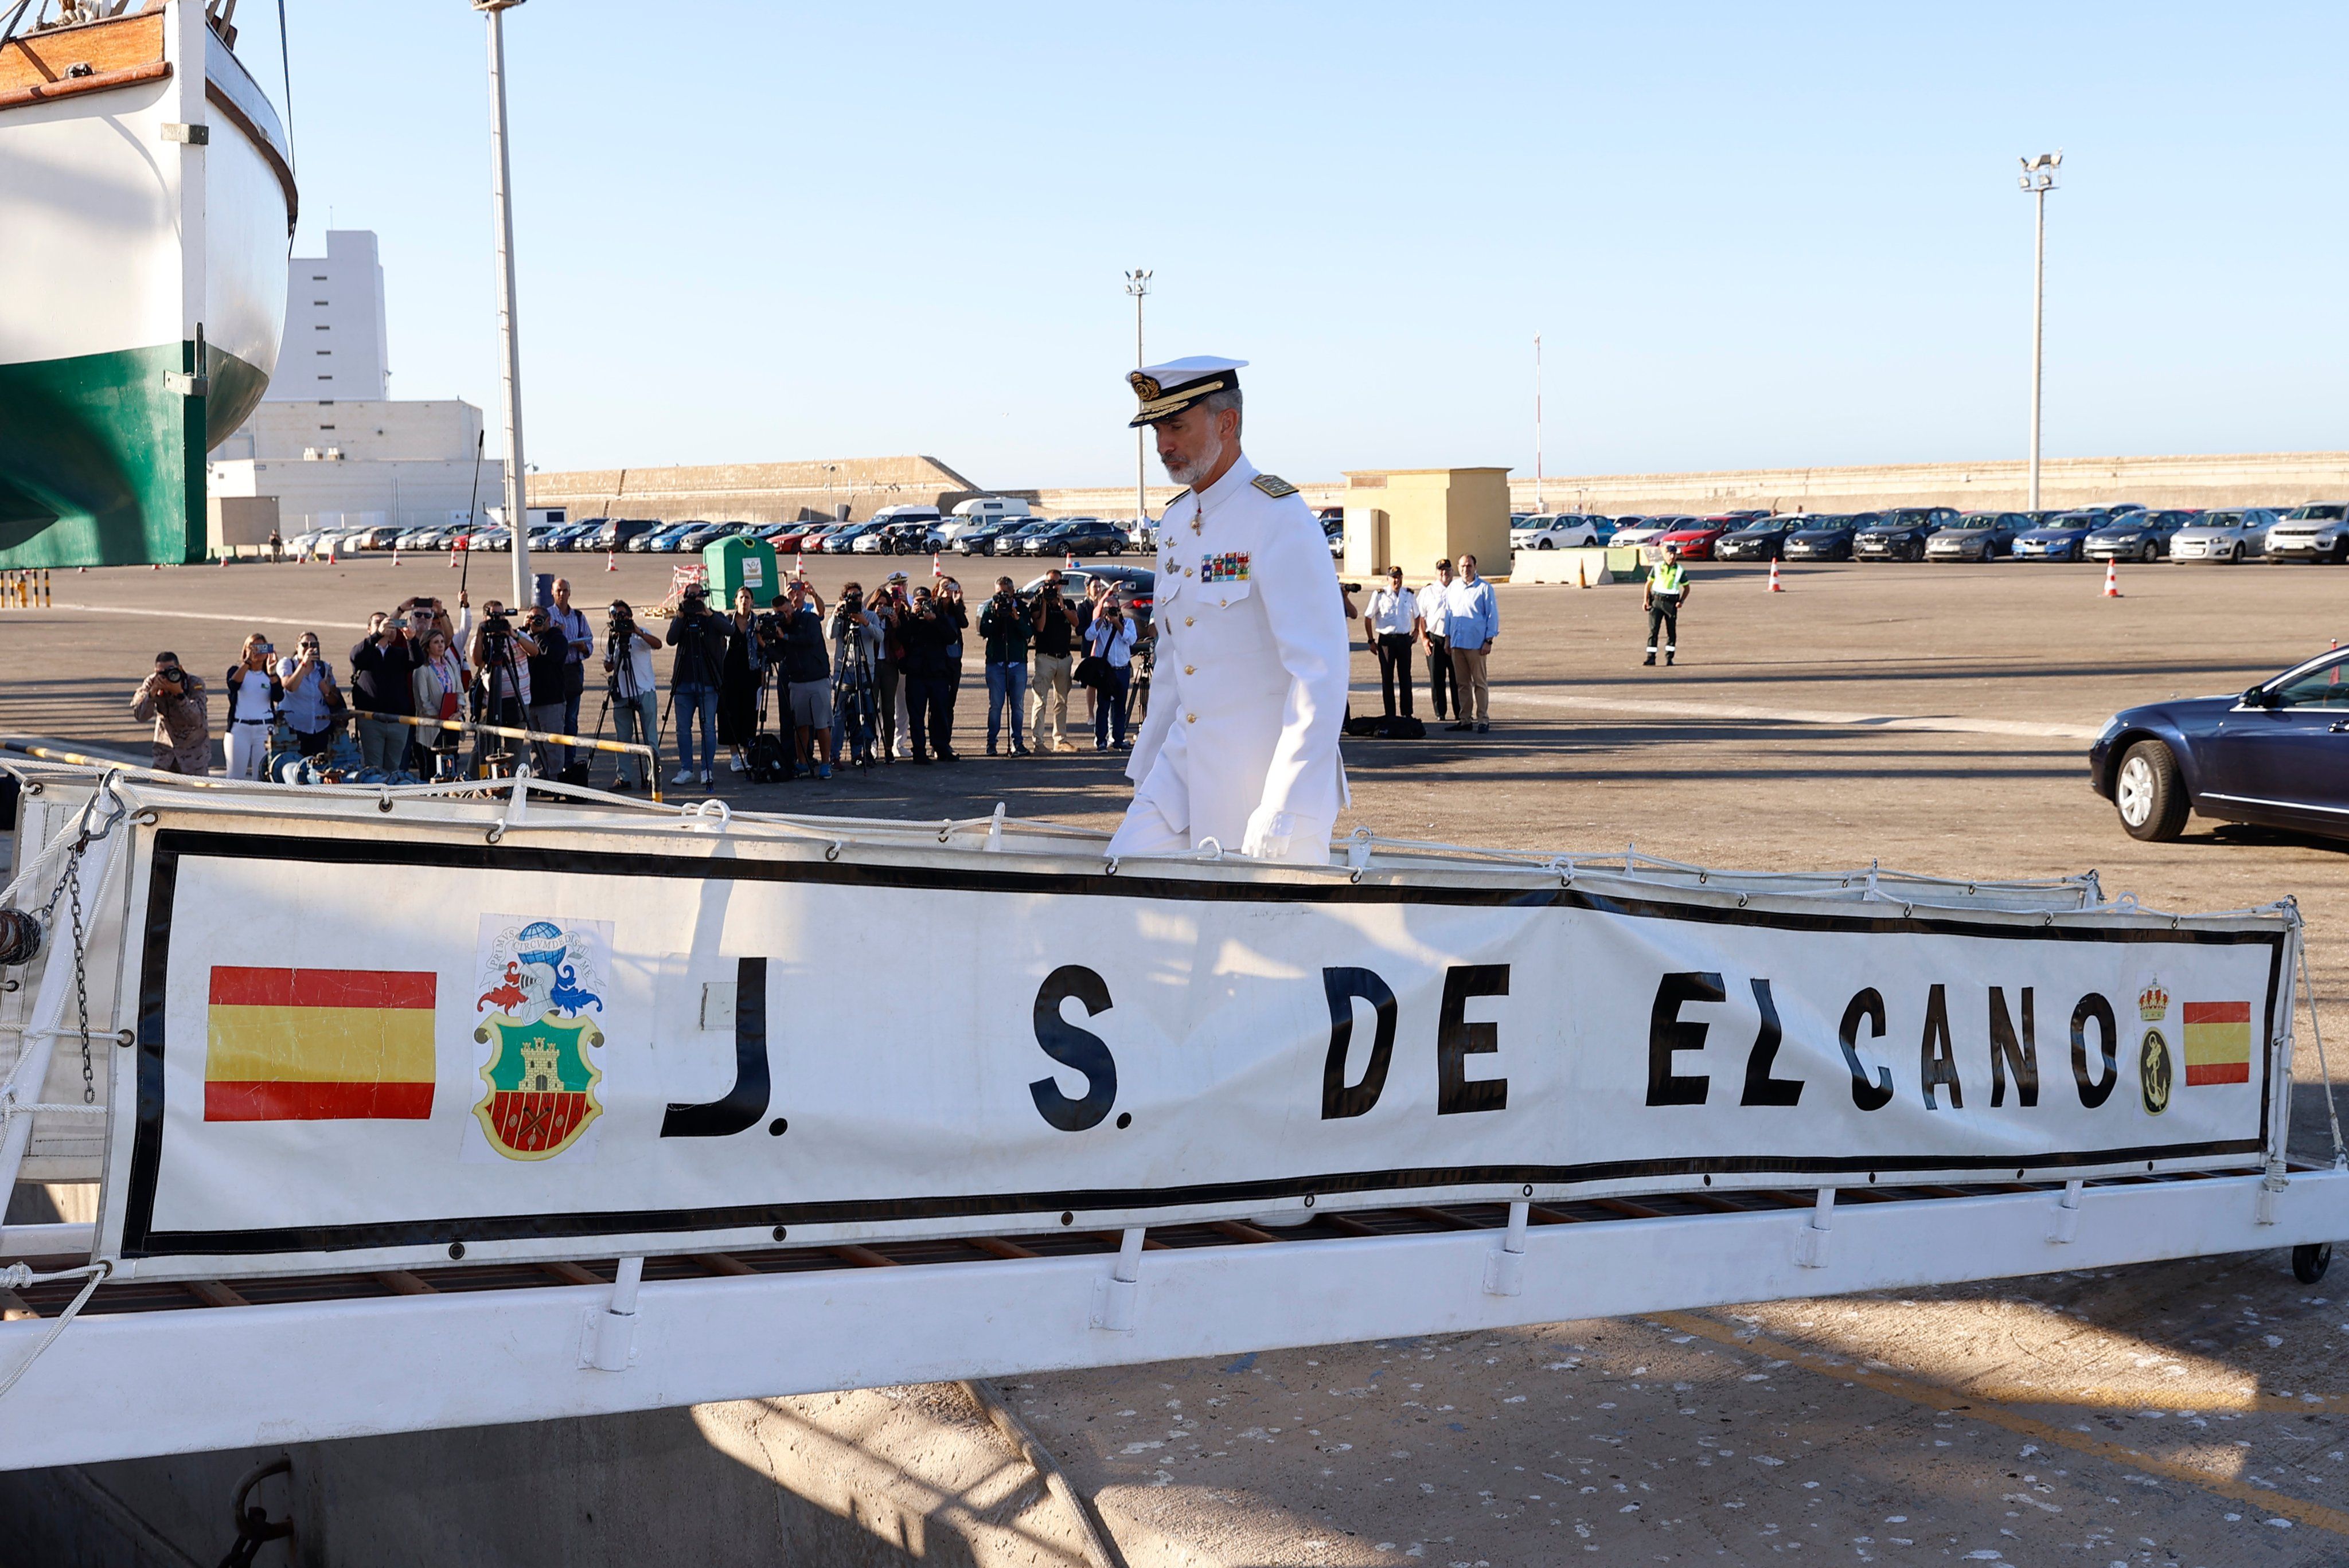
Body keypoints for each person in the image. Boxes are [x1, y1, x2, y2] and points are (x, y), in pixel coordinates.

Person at [1105, 355, 1350, 864]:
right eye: (1157, 429)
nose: (1162, 445)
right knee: (1120, 884)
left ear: (1227, 422)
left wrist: (1285, 805)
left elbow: (1318, 674)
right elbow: (1175, 662)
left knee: (1265, 934)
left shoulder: (1278, 517)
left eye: (1176, 425)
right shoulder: (1175, 523)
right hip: (1182, 774)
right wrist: (1149, 775)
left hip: (1265, 783)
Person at [459, 597, 540, 776]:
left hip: (518, 701)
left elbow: (534, 652)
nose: (499, 620)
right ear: (485, 618)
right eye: (494, 616)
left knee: (514, 749)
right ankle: (476, 781)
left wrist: (513, 634)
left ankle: (509, 784)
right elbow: (477, 660)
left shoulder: (517, 635)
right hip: (491, 702)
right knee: (484, 746)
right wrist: (481, 633)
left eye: (501, 615)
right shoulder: (481, 640)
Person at [664, 584, 735, 787]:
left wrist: (708, 614)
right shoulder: (683, 619)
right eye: (690, 597)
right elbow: (670, 639)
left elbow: (730, 630)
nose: (694, 602)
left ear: (704, 597)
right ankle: (686, 769)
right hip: (683, 683)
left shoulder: (714, 617)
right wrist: (680, 616)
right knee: (683, 729)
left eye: (697, 597)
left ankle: (707, 769)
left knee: (708, 728)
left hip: (708, 683)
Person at [350, 611, 422, 774]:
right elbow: (355, 657)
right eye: (379, 622)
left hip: (397, 721)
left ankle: (390, 799)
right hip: (372, 720)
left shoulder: (398, 653)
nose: (385, 625)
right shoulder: (366, 652)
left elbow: (417, 660)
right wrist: (377, 635)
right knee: (374, 768)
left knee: (394, 768)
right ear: (369, 629)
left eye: (388, 622)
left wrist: (411, 639)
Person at [602, 599, 663, 791]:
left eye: (623, 615)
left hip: (644, 691)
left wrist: (637, 631)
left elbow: (658, 644)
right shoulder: (613, 638)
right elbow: (608, 665)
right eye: (616, 615)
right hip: (622, 693)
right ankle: (624, 777)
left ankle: (653, 776)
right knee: (623, 738)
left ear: (630, 616)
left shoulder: (641, 634)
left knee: (650, 737)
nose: (620, 618)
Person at [898, 582, 960, 763]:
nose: (922, 605)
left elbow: (951, 637)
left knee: (939, 712)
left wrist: (935, 620)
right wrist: (912, 615)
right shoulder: (910, 620)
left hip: (938, 673)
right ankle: (919, 751)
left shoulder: (938, 617)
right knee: (916, 715)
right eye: (918, 602)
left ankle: (941, 748)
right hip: (916, 673)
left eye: (925, 602)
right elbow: (901, 637)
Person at [779, 580, 834, 779]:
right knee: (801, 725)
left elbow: (811, 638)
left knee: (821, 724)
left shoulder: (809, 618)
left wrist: (786, 637)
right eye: (781, 613)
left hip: (817, 678)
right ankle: (802, 762)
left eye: (786, 612)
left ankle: (826, 763)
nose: (785, 615)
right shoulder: (782, 626)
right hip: (797, 680)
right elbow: (777, 654)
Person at [1443, 552, 1498, 734]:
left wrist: (1489, 640)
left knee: (1480, 683)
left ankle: (1483, 719)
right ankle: (1465, 719)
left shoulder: (1484, 588)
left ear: (1475, 567)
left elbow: (1492, 615)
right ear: (1457, 569)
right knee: (1462, 684)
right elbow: (1449, 614)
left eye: (1469, 566)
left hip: (1476, 644)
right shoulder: (1453, 587)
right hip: (1457, 643)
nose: (1465, 569)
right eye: (1462, 566)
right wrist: (1447, 638)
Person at [979, 574, 1032, 756]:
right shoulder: (990, 608)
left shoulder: (1023, 609)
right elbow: (984, 630)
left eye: (1006, 594)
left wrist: (1016, 617)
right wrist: (995, 615)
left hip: (1017, 663)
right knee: (996, 705)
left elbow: (1028, 633)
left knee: (1017, 706)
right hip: (996, 663)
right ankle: (991, 743)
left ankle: (1018, 742)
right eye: (999, 593)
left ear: (1012, 592)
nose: (1003, 597)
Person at [1029, 568, 1080, 752]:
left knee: (1062, 701)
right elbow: (1040, 627)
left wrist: (1062, 606)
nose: (1054, 586)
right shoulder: (1036, 603)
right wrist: (1044, 602)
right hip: (1045, 658)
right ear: (1044, 583)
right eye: (1050, 582)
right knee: (1040, 700)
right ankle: (1038, 742)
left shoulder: (1068, 603)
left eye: (1057, 583)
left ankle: (1060, 740)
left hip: (1064, 658)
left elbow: (1076, 623)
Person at [133, 652, 210, 775]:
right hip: (165, 757)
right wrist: (152, 694)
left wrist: (179, 694)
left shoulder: (194, 684)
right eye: (161, 673)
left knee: (197, 794)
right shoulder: (152, 682)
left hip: (193, 758)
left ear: (180, 668)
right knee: (157, 794)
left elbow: (197, 720)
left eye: (171, 671)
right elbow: (140, 716)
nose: (166, 677)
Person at [409, 628, 467, 781]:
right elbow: (423, 701)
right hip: (433, 726)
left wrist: (459, 711)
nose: (441, 646)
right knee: (432, 766)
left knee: (451, 763)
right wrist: (440, 717)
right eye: (436, 643)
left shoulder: (451, 666)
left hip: (452, 723)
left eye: (442, 642)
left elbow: (460, 692)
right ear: (428, 647)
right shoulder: (422, 670)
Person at [221, 633, 280, 780]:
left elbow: (279, 697)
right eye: (254, 648)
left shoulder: (270, 675)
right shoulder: (237, 671)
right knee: (235, 777)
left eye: (262, 648)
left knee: (262, 777)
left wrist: (273, 672)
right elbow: (233, 685)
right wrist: (248, 663)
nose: (258, 652)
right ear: (246, 650)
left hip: (265, 730)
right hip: (240, 729)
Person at [718, 584, 764, 773]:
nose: (745, 601)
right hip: (729, 676)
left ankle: (748, 753)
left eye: (748, 598)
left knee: (749, 716)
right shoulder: (727, 622)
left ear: (752, 601)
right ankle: (735, 756)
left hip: (751, 675)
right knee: (730, 715)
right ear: (735, 601)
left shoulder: (757, 622)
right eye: (741, 598)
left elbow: (763, 649)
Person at [549, 577, 593, 775]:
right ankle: (553, 763)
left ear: (570, 593)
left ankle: (569, 761)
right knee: (553, 719)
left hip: (573, 671)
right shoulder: (548, 616)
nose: (562, 594)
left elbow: (589, 644)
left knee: (571, 720)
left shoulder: (578, 617)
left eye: (565, 591)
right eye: (558, 591)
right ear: (552, 592)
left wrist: (582, 647)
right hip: (554, 672)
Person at [1363, 566, 1419, 718]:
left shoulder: (1409, 594)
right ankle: (1390, 715)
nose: (1397, 580)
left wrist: (1416, 631)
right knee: (1387, 678)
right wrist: (1371, 641)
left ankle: (1407, 714)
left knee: (1405, 677)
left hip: (1403, 639)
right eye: (1394, 577)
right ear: (1388, 579)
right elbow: (1368, 618)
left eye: (1399, 577)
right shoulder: (1379, 595)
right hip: (1386, 641)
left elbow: (1417, 614)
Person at [521, 602, 571, 776]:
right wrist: (524, 628)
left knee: (553, 746)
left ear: (548, 620)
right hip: (531, 700)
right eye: (533, 619)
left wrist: (538, 634)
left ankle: (555, 780)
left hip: (552, 701)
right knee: (535, 746)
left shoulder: (558, 638)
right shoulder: (525, 637)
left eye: (539, 619)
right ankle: (540, 778)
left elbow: (549, 654)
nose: (536, 622)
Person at [275, 632, 341, 759]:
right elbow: (290, 686)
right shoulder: (288, 664)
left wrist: (326, 691)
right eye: (305, 644)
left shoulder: (323, 668)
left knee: (320, 769)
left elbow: (334, 701)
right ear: (297, 647)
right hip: (295, 729)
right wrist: (304, 664)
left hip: (320, 728)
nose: (309, 648)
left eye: (313, 645)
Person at [1086, 590, 1138, 750]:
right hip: (1106, 672)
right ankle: (1101, 740)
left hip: (1122, 670)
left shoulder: (1127, 623)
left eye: (1114, 609)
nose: (1111, 612)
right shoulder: (1100, 625)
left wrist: (1117, 623)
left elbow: (1131, 640)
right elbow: (1089, 636)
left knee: (1120, 708)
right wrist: (1102, 619)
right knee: (1103, 706)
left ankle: (1118, 739)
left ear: (1119, 609)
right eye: (1108, 609)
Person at [1644, 542, 1692, 667]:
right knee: (1653, 630)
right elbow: (1648, 585)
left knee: (1671, 631)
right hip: (1656, 601)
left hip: (1671, 603)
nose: (1672, 556)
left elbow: (1687, 588)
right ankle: (1651, 658)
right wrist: (1646, 600)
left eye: (1674, 554)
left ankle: (1669, 658)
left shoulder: (1680, 570)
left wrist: (1681, 601)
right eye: (1669, 554)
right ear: (1665, 555)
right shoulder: (1657, 567)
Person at [1422, 557, 1457, 722]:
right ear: (1437, 573)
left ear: (1452, 572)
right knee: (1437, 678)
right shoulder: (1428, 591)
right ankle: (1440, 712)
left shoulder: (1458, 589)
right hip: (1435, 638)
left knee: (1458, 677)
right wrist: (1423, 638)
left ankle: (1461, 712)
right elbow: (1420, 616)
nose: (1445, 573)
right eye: (1441, 570)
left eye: (1447, 569)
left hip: (1456, 639)